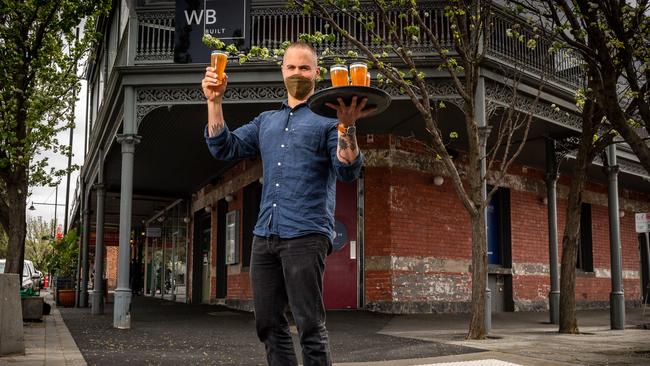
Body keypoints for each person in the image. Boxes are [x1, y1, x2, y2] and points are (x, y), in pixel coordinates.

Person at [201, 42, 375, 366]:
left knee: (309, 324)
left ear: (316, 74)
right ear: (282, 71)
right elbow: (224, 147)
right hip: (265, 234)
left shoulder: (328, 122)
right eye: (292, 67)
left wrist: (348, 127)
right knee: (268, 323)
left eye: (304, 68)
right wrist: (214, 101)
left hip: (307, 234)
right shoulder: (266, 121)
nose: (298, 73)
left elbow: (348, 168)